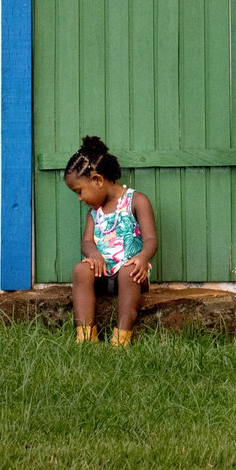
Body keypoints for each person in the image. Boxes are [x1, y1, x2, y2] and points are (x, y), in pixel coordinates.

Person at [63, 136, 158, 346]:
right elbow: (87, 242)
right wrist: (94, 254)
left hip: (132, 272)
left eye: (79, 191)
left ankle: (121, 338)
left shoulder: (137, 201)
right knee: (80, 270)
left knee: (127, 271)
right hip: (103, 271)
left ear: (97, 180)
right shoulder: (94, 213)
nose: (79, 198)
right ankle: (86, 336)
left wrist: (142, 258)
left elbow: (151, 239)